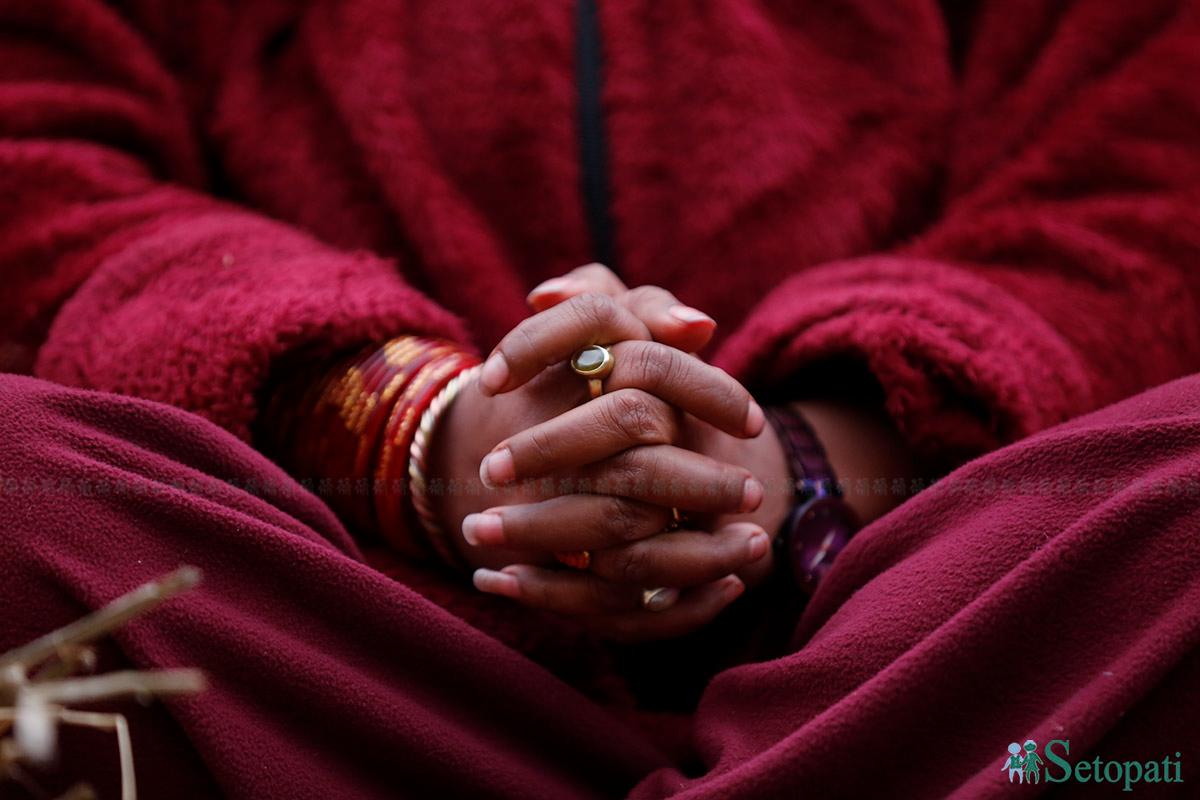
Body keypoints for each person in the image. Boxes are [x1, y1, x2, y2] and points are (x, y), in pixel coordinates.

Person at [2, 0, 1199, 796]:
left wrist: (792, 468)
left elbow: (1137, 190)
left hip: (928, 658)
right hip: (331, 645)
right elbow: (40, 167)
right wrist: (407, 423)